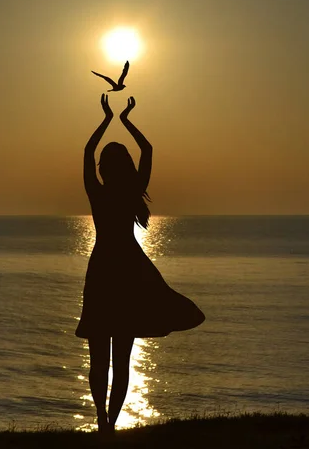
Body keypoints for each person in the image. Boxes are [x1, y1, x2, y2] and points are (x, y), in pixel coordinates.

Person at [76, 93, 205, 433]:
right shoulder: (130, 191)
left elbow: (87, 152)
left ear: (104, 168)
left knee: (98, 358)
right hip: (130, 271)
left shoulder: (98, 193)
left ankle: (102, 421)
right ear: (126, 166)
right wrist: (127, 119)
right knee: (121, 359)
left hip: (103, 271)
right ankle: (110, 424)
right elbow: (147, 151)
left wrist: (106, 119)